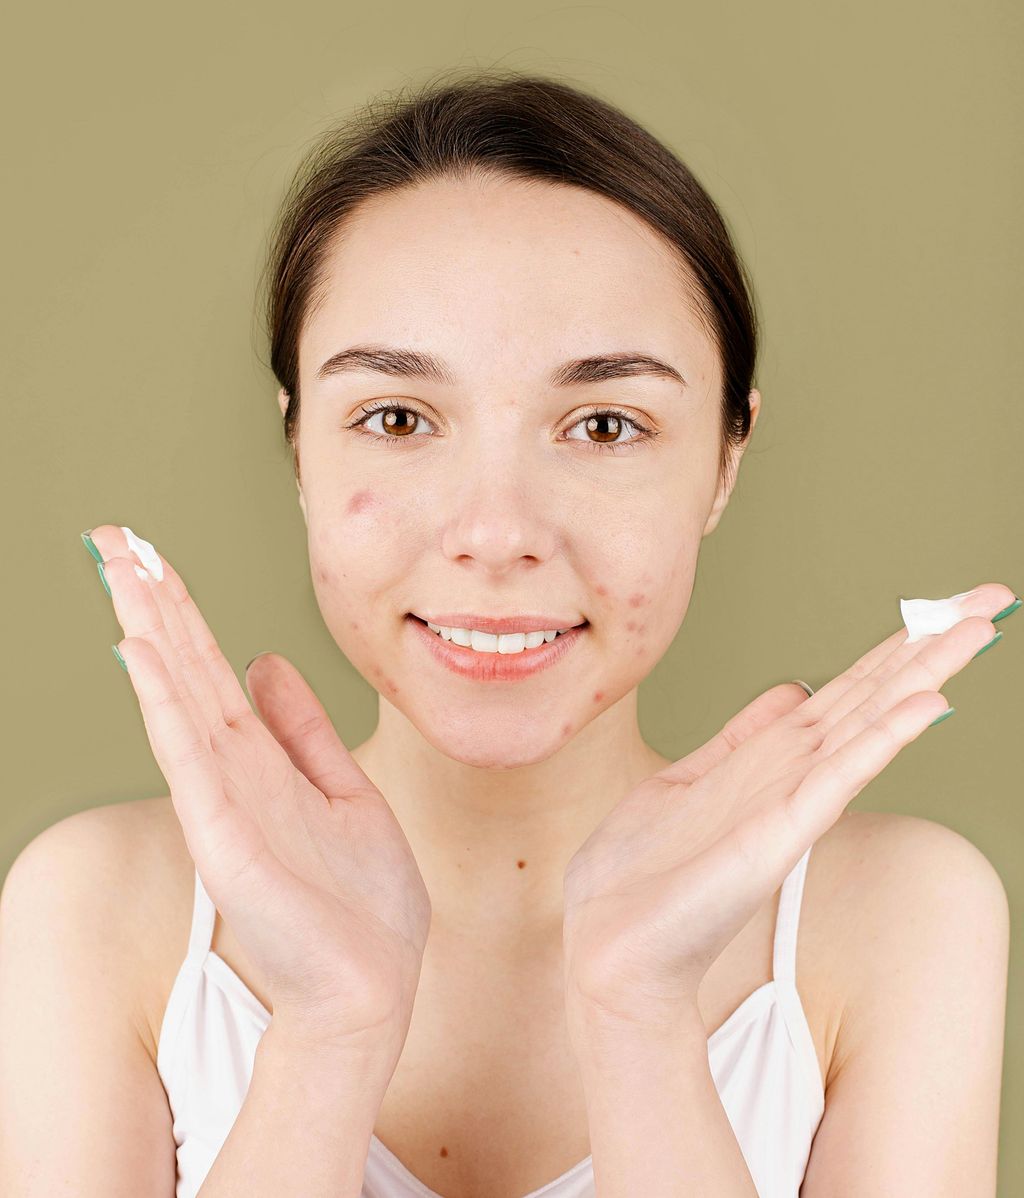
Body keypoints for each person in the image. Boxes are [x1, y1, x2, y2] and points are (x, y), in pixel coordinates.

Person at [0, 68, 1014, 1198]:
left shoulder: (900, 919)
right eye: (394, 417)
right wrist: (329, 1032)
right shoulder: (94, 907)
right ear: (299, 448)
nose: (494, 532)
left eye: (603, 423)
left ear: (726, 458)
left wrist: (640, 1018)